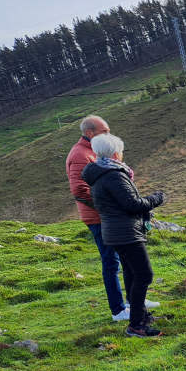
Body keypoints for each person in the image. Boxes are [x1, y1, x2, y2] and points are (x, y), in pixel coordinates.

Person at [83, 133, 166, 336]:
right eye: (120, 151)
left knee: (131, 273)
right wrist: (157, 198)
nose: (121, 154)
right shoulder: (114, 175)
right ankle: (137, 325)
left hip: (115, 231)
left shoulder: (100, 174)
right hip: (126, 232)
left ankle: (140, 317)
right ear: (114, 153)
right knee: (144, 274)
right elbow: (132, 204)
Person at [67, 115, 136, 322]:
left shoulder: (93, 151)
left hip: (107, 215)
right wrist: (110, 205)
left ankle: (133, 301)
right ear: (89, 133)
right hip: (99, 217)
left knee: (125, 258)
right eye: (104, 131)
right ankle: (118, 309)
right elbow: (79, 190)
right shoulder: (80, 154)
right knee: (111, 262)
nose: (108, 134)